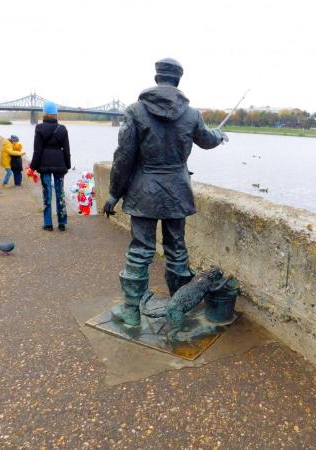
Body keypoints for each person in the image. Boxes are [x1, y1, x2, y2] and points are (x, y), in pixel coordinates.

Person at [103, 58, 228, 325]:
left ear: (157, 77)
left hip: (143, 192)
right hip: (176, 191)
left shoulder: (135, 111)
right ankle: (178, 308)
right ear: (178, 80)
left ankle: (131, 311)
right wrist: (220, 135)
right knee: (177, 250)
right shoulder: (192, 114)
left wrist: (114, 192)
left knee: (140, 251)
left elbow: (123, 157)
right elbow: (207, 140)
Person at [30, 101, 71, 231]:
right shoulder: (62, 129)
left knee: (47, 194)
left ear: (44, 113)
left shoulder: (39, 128)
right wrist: (67, 166)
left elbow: (37, 150)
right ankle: (62, 223)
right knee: (60, 194)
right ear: (56, 114)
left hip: (44, 164)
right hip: (59, 163)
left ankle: (48, 224)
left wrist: (33, 166)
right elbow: (67, 150)